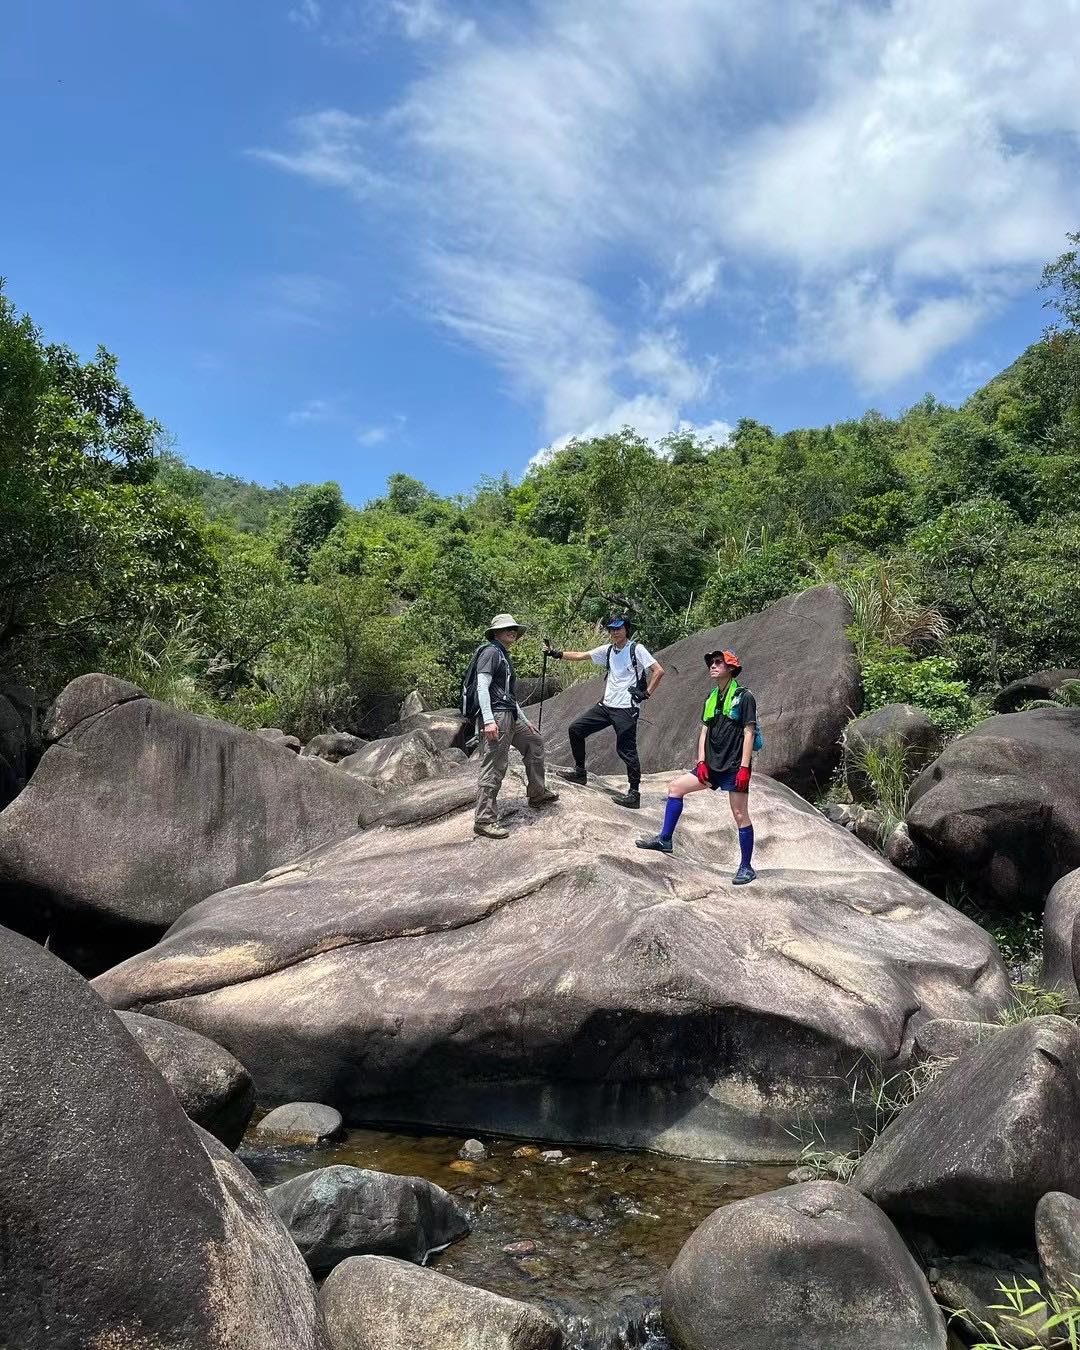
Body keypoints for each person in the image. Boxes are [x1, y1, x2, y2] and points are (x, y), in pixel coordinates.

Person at [636, 648, 757, 883]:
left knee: (740, 814)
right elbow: (704, 731)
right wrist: (701, 761)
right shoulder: (711, 697)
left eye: (719, 663)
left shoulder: (744, 697)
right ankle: (665, 840)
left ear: (731, 668)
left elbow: (749, 732)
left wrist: (744, 767)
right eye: (711, 662)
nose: (713, 666)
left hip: (733, 766)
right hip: (711, 764)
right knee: (676, 788)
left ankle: (746, 867)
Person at [544, 618, 664, 809]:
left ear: (626, 630)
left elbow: (658, 671)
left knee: (626, 750)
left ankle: (634, 794)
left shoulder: (636, 649)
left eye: (619, 629)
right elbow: (580, 655)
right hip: (606, 705)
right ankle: (580, 771)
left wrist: (646, 693)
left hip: (626, 707)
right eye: (612, 630)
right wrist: (555, 653)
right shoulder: (608, 650)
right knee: (576, 729)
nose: (615, 633)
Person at [473, 613, 559, 839]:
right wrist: (489, 720)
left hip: (509, 715)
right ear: (496, 633)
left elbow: (508, 696)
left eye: (514, 629)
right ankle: (484, 820)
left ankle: (537, 793)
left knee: (535, 742)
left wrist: (525, 721)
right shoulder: (490, 652)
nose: (512, 631)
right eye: (507, 628)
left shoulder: (503, 655)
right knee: (494, 766)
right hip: (497, 717)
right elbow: (482, 687)